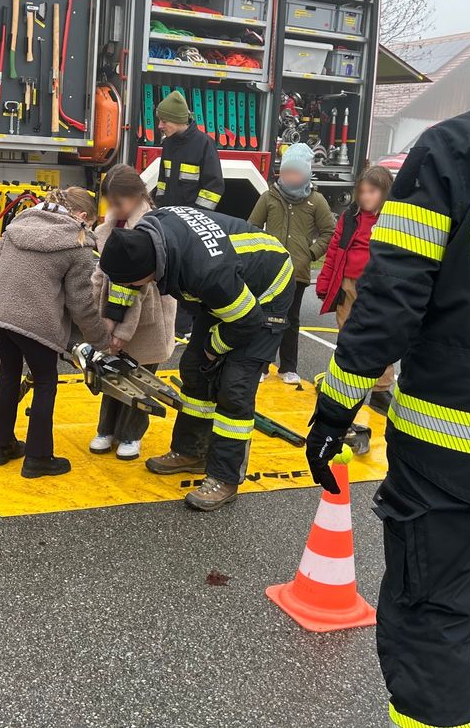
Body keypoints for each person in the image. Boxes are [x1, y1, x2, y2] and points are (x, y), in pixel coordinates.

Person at [306, 0, 470, 728]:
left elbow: (390, 304)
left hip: (451, 457)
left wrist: (334, 410)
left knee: (432, 619)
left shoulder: (453, 150)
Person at [99, 204, 294, 511]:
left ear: (150, 272)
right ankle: (191, 452)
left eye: (137, 282)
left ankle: (224, 478)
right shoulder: (145, 237)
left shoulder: (206, 273)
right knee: (194, 369)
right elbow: (127, 281)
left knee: (234, 388)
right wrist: (112, 321)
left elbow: (247, 320)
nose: (135, 287)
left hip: (264, 294)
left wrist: (214, 346)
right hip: (228, 289)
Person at [0, 188, 110, 479]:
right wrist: (103, 341)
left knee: (8, 375)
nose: (89, 228)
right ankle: (39, 458)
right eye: (89, 222)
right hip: (35, 321)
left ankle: (2, 447)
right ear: (81, 216)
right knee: (45, 382)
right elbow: (82, 304)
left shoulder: (19, 226)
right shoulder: (77, 244)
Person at [90, 165, 177, 461]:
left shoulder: (151, 228)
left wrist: (121, 331)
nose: (113, 209)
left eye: (118, 202)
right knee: (111, 373)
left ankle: (131, 435)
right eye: (110, 203)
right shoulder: (110, 229)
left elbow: (137, 291)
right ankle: (107, 429)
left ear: (137, 195)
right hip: (114, 312)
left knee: (140, 378)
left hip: (148, 317)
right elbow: (100, 275)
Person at [249, 143, 335, 384]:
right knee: (265, 316)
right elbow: (251, 227)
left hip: (297, 272)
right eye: (286, 172)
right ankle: (262, 365)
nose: (289, 176)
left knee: (291, 319)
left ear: (306, 174)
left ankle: (288, 367)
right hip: (270, 272)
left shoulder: (316, 201)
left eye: (295, 172)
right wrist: (260, 254)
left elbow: (330, 231)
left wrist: (310, 253)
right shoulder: (269, 197)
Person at [315, 165, 394, 414]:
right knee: (347, 336)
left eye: (372, 191)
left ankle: (381, 390)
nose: (366, 197)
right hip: (348, 285)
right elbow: (334, 251)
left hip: (378, 287)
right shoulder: (350, 218)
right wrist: (325, 283)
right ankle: (342, 386)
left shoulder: (393, 220)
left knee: (381, 337)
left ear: (385, 192)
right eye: (362, 192)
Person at [152, 89, 225, 338]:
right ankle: (176, 324)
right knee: (173, 272)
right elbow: (163, 181)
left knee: (190, 274)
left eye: (164, 121)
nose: (160, 125)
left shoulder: (203, 144)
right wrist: (159, 211)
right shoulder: (169, 144)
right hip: (170, 220)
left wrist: (195, 219)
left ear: (179, 120)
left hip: (191, 224)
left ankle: (187, 325)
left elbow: (214, 187)